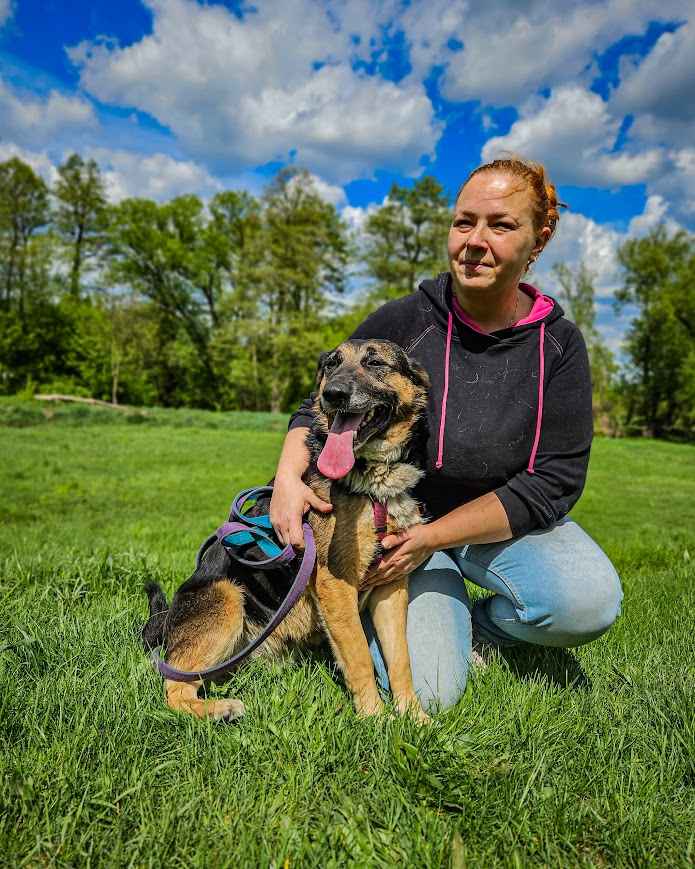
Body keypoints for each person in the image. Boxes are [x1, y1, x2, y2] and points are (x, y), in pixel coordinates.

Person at [270, 157, 623, 712]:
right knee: (430, 694)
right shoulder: (406, 318)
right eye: (464, 222)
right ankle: (412, 628)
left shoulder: (560, 345)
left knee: (587, 601)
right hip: (398, 525)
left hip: (495, 527)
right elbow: (317, 405)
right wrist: (287, 478)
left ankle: (484, 631)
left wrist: (431, 539)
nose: (475, 242)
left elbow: (554, 482)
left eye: (501, 226)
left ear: (539, 240)